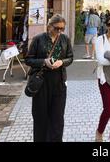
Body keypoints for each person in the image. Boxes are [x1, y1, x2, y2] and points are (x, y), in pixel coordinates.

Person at [25, 14, 74, 142]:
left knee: (57, 118)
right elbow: (28, 59)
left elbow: (70, 57)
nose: (59, 31)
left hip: (59, 82)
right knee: (40, 117)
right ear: (49, 26)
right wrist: (43, 62)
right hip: (41, 82)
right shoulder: (38, 39)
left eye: (62, 29)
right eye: (56, 28)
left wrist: (62, 62)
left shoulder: (65, 39)